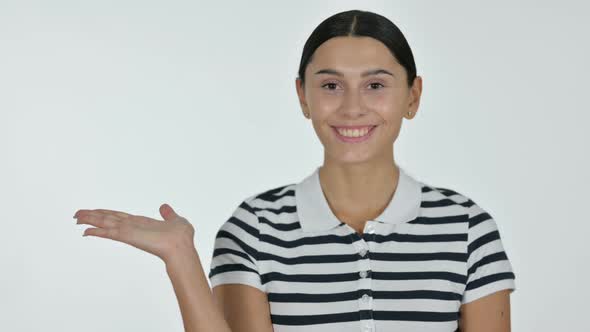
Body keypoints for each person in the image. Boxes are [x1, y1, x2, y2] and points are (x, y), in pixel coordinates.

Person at [74, 9, 516, 332]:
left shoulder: (468, 229)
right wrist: (181, 259)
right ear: (303, 96)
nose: (352, 106)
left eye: (376, 85)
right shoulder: (254, 229)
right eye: (330, 86)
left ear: (413, 96)